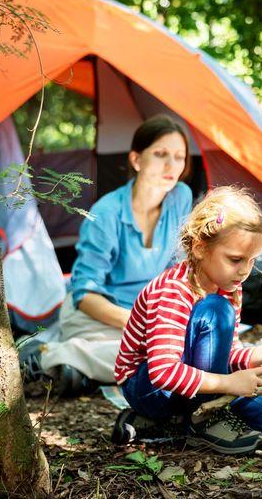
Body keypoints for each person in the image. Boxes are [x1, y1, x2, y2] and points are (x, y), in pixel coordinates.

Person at [111, 186, 262, 452]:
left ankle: (161, 423)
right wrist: (229, 384)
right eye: (235, 259)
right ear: (199, 248)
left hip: (198, 383)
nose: (244, 271)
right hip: (149, 387)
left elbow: (225, 356)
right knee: (215, 309)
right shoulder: (173, 291)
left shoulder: (229, 287)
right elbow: (162, 372)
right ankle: (199, 418)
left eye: (252, 260)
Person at [21, 115, 193, 395]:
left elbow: (180, 268)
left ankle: (74, 364)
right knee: (164, 358)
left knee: (180, 350)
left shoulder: (180, 196)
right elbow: (85, 295)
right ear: (136, 160)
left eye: (179, 157)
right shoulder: (106, 213)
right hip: (95, 314)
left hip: (145, 316)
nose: (171, 166)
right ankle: (48, 358)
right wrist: (143, 324)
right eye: (160, 154)